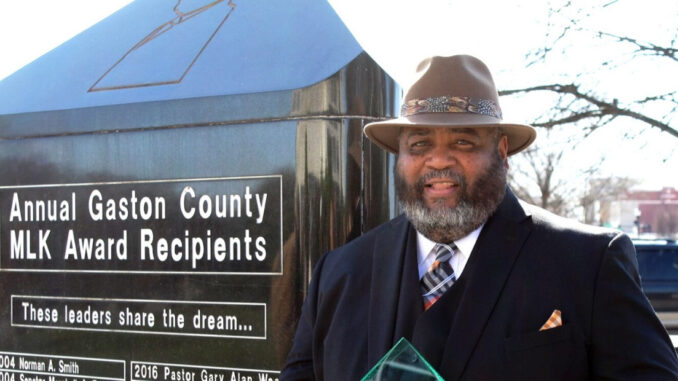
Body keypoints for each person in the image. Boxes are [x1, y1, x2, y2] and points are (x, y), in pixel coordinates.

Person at [281, 55, 678, 380]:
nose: (438, 159)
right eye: (419, 144)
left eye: (463, 141)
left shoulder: (589, 262)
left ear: (502, 151)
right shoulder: (340, 273)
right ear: (399, 158)